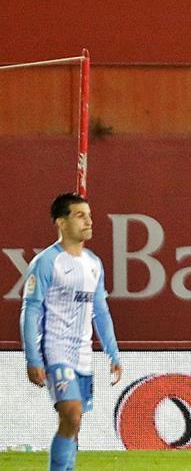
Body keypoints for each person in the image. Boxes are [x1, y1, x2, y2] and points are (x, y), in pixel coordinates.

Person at [21, 193, 123, 471]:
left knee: (74, 424)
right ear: (60, 223)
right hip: (55, 349)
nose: (89, 221)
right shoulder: (46, 262)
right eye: (80, 215)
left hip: (83, 353)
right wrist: (33, 358)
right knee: (72, 414)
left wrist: (113, 353)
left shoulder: (93, 263)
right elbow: (30, 311)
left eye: (89, 215)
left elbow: (100, 311)